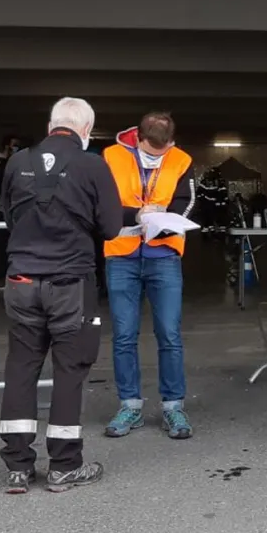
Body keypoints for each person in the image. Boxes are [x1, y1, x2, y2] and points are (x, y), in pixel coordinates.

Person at [0, 97, 122, 493]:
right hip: (70, 283)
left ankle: (17, 467)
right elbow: (111, 228)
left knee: (21, 367)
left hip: (20, 281)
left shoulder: (18, 162)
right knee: (69, 371)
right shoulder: (92, 164)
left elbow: (10, 217)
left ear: (52, 124)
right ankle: (64, 465)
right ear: (86, 130)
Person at [101, 113, 197, 440]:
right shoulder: (111, 156)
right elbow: (102, 201)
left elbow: (188, 201)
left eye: (164, 149)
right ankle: (130, 405)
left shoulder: (181, 160)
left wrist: (165, 217)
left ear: (172, 142)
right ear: (138, 138)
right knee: (124, 336)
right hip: (121, 254)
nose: (159, 155)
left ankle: (173, 407)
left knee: (169, 334)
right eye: (152, 151)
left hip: (164, 254)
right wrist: (135, 215)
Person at [0, 134, 21, 289]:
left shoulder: (18, 162)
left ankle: (12, 276)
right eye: (13, 145)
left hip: (15, 211)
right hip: (0, 210)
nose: (15, 148)